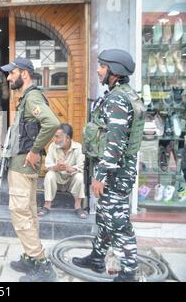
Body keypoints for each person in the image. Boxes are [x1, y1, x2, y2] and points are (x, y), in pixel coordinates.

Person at [73, 49, 146, 282]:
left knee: (117, 219)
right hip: (118, 169)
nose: (98, 69)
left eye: (102, 66)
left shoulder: (117, 99)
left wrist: (100, 175)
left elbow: (114, 144)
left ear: (114, 71)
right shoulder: (121, 94)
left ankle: (128, 272)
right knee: (104, 217)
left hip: (115, 171)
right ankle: (97, 258)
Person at [0, 57, 60, 282]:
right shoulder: (27, 97)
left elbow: (52, 123)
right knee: (29, 211)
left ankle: (42, 264)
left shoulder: (32, 96)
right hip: (23, 165)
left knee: (20, 212)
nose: (8, 77)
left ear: (24, 74)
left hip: (23, 165)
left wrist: (36, 151)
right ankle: (30, 257)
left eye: (11, 73)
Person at [39, 123, 87, 219]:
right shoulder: (53, 146)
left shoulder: (78, 148)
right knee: (49, 175)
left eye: (57, 137)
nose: (55, 140)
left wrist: (68, 168)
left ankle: (78, 206)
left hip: (70, 181)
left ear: (68, 138)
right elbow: (48, 165)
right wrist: (56, 167)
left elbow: (80, 167)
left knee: (79, 177)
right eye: (55, 137)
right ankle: (47, 205)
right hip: (57, 180)